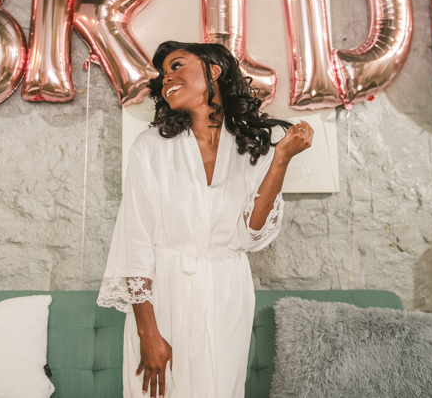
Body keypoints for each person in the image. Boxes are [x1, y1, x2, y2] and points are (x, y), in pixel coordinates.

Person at [97, 41, 313, 398]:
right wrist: (147, 333)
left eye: (177, 66)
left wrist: (281, 160)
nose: (168, 78)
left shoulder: (251, 147)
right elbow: (135, 241)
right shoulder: (150, 148)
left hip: (228, 291)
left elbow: (251, 234)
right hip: (167, 290)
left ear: (213, 71)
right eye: (164, 74)